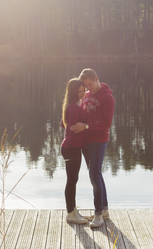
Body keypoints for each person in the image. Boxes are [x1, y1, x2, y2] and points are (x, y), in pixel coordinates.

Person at [71, 68, 115, 228]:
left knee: (94, 175)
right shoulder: (87, 95)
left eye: (90, 84)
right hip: (85, 140)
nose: (88, 88)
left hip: (98, 140)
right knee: (95, 174)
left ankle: (98, 215)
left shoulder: (108, 98)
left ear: (96, 79)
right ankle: (104, 210)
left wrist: (87, 126)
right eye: (85, 86)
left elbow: (106, 122)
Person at [61, 78, 89, 224]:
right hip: (71, 148)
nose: (82, 93)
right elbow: (71, 128)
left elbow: (62, 124)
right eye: (79, 91)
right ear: (73, 92)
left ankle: (73, 210)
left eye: (84, 90)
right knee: (72, 180)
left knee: (74, 179)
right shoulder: (73, 107)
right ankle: (70, 213)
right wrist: (84, 126)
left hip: (72, 147)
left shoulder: (73, 105)